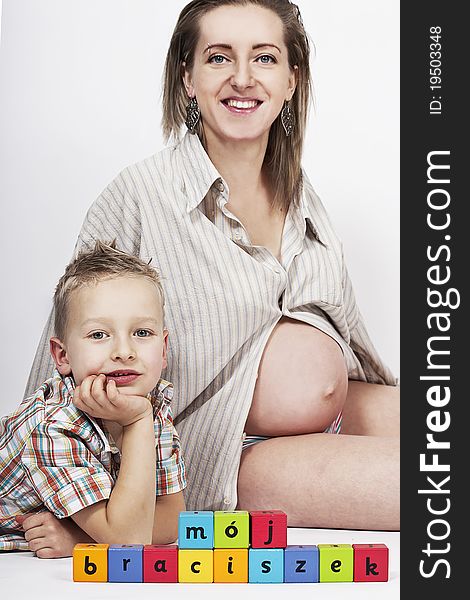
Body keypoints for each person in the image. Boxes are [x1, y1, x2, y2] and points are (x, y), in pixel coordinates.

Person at [24, 0, 399, 534]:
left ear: (292, 79)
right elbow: (61, 361)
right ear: (188, 77)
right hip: (227, 454)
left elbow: (349, 335)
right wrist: (71, 516)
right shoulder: (137, 197)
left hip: (336, 413)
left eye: (264, 59)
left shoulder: (303, 196)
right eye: (219, 58)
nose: (242, 79)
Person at [0, 241, 186, 557]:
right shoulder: (53, 426)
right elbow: (131, 541)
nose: (124, 351)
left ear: (164, 348)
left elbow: (173, 518)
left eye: (142, 333)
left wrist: (80, 538)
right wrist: (137, 422)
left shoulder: (149, 404)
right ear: (63, 355)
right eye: (99, 335)